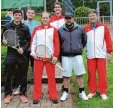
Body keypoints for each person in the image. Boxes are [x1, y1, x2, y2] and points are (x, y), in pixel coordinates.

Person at [2, 9, 31, 103]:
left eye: (19, 15)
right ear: (13, 16)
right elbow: (2, 38)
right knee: (8, 74)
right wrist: (4, 41)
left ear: (22, 16)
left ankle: (23, 93)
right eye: (16, 15)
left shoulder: (25, 27)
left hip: (22, 54)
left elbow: (29, 41)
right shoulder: (7, 26)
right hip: (11, 53)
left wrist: (24, 48)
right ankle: (7, 94)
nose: (17, 16)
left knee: (23, 74)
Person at [30, 12, 60, 104]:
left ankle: (53, 95)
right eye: (43, 18)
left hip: (50, 58)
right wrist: (34, 53)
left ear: (49, 18)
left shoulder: (54, 30)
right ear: (41, 19)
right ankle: (37, 96)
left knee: (51, 77)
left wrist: (55, 56)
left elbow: (56, 44)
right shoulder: (36, 29)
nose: (45, 19)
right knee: (37, 77)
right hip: (38, 58)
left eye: (47, 18)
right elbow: (33, 42)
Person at [59, 12, 88, 101]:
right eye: (66, 18)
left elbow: (84, 40)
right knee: (66, 76)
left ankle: (82, 92)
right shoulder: (60, 30)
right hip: (65, 56)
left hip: (77, 55)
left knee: (79, 75)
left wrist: (78, 48)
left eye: (70, 18)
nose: (68, 19)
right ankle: (65, 92)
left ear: (73, 18)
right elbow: (58, 43)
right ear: (64, 19)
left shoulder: (80, 29)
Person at [84, 9, 113, 100]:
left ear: (97, 16)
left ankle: (102, 92)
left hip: (101, 54)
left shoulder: (104, 27)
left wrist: (109, 52)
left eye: (93, 15)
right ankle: (92, 91)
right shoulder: (86, 28)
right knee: (91, 73)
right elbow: (83, 41)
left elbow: (108, 40)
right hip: (91, 55)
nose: (92, 17)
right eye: (90, 16)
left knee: (102, 73)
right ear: (88, 17)